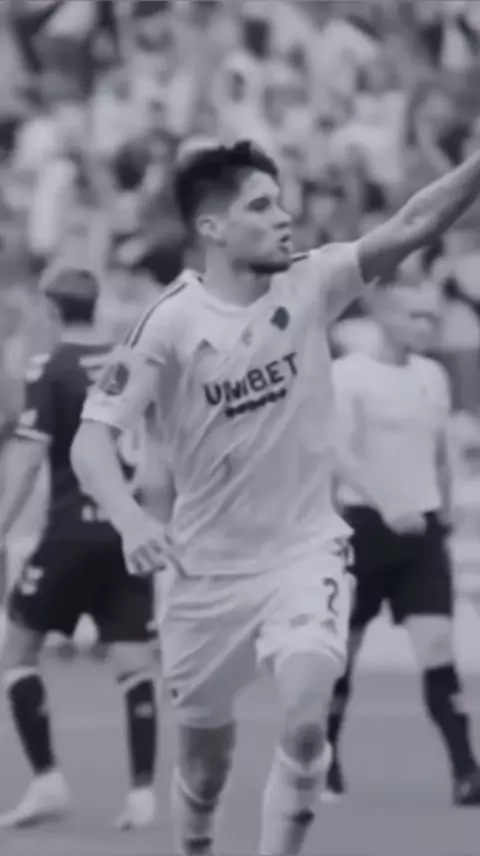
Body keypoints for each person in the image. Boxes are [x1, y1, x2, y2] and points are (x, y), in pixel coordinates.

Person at [72, 139, 480, 855]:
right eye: (262, 206)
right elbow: (91, 440)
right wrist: (131, 519)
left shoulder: (313, 280)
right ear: (213, 227)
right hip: (205, 572)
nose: (284, 217)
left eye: (282, 201)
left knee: (305, 719)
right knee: (205, 769)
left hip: (304, 552)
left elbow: (415, 223)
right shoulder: (170, 323)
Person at [0, 266, 159, 830]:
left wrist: (2, 525)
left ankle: (47, 783)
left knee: (17, 653)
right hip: (124, 532)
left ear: (51, 310)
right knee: (134, 661)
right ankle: (142, 794)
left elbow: (26, 460)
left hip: (68, 534)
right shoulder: (130, 362)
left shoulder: (52, 367)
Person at [324, 274, 480, 806]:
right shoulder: (351, 375)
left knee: (437, 648)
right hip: (366, 528)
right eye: (415, 315)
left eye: (431, 316)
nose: (425, 326)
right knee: (343, 652)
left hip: (421, 531)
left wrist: (444, 508)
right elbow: (338, 453)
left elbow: (438, 450)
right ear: (384, 315)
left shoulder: (432, 376)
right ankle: (324, 759)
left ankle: (466, 770)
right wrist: (386, 503)